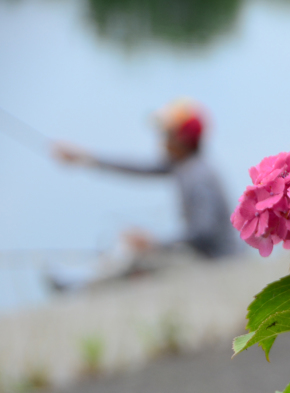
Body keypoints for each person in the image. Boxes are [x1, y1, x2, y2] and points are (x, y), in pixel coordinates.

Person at [52, 99, 236, 282]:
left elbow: (203, 233)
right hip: (203, 255)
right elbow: (136, 167)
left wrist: (155, 244)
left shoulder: (198, 177)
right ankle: (80, 283)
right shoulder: (183, 166)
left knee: (136, 257)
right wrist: (85, 158)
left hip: (214, 261)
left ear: (181, 139)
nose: (161, 142)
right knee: (131, 248)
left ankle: (78, 286)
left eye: (165, 135)